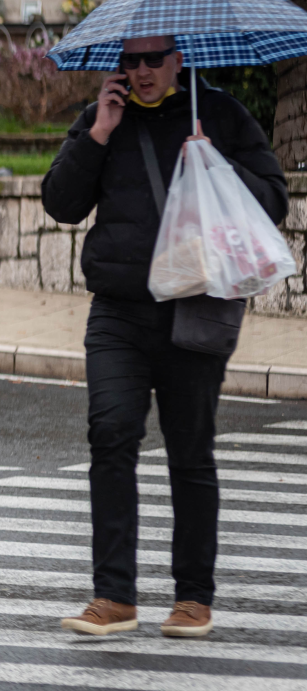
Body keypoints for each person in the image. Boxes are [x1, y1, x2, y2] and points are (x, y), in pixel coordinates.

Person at [41, 36, 287, 638]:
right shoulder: (104, 117)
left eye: (155, 59)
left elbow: (274, 201)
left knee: (189, 451)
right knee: (110, 432)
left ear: (181, 59)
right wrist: (96, 133)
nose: (143, 71)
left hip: (193, 310)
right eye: (132, 60)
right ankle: (114, 596)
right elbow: (61, 204)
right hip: (118, 311)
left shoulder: (221, 113)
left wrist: (216, 163)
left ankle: (193, 598)